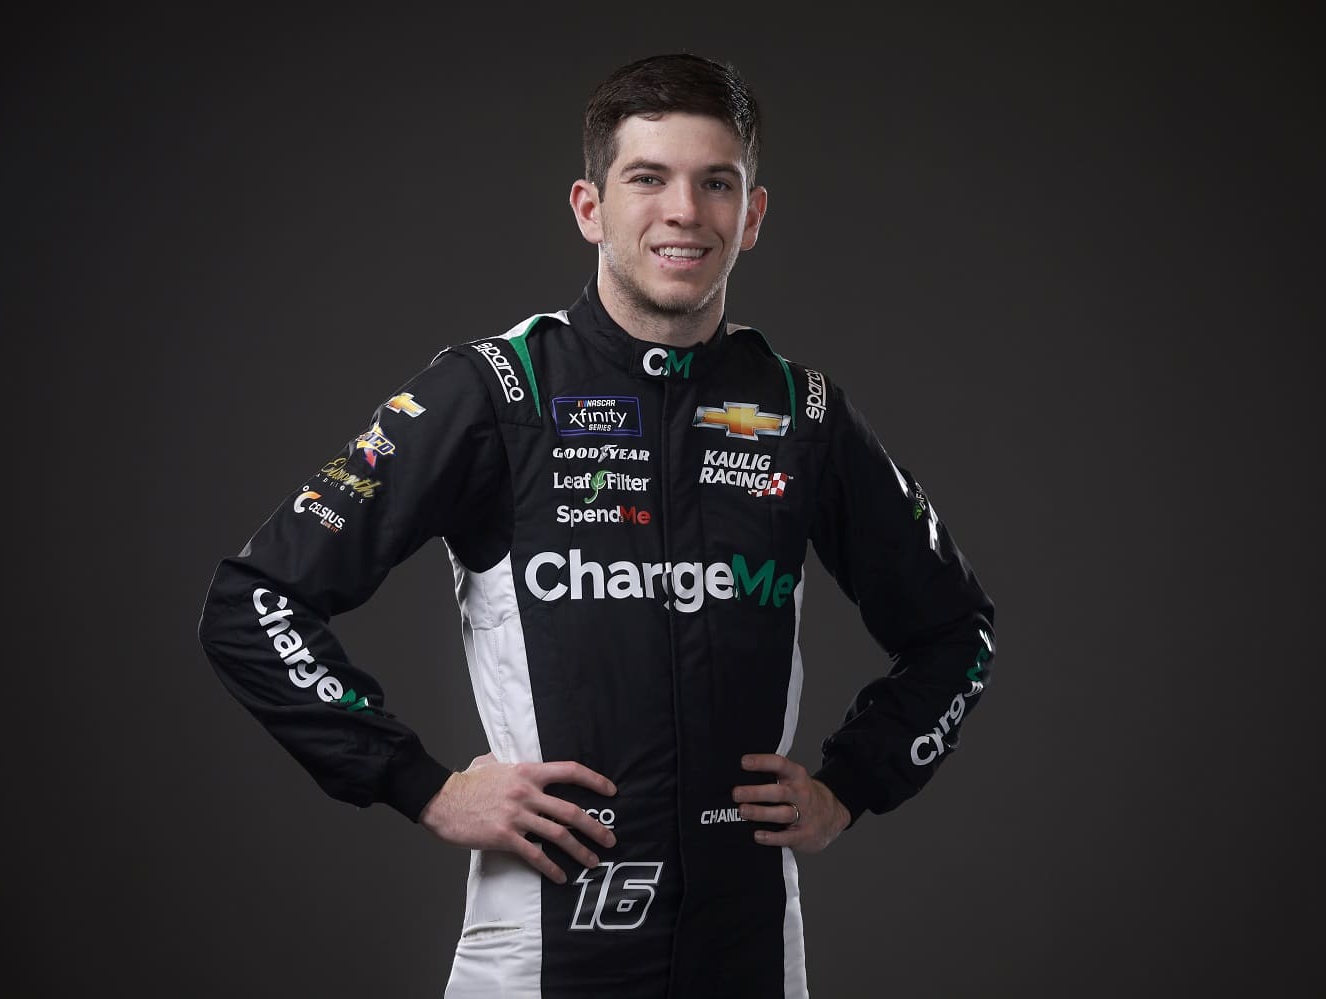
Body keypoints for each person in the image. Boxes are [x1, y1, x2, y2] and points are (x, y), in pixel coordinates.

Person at [198, 52, 995, 998]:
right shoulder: (496, 391)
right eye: (647, 178)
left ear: (754, 215)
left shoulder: (801, 412)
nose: (684, 212)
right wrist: (419, 782)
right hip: (538, 958)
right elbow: (252, 604)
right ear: (590, 207)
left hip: (749, 957)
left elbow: (958, 635)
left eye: (717, 183)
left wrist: (852, 786)